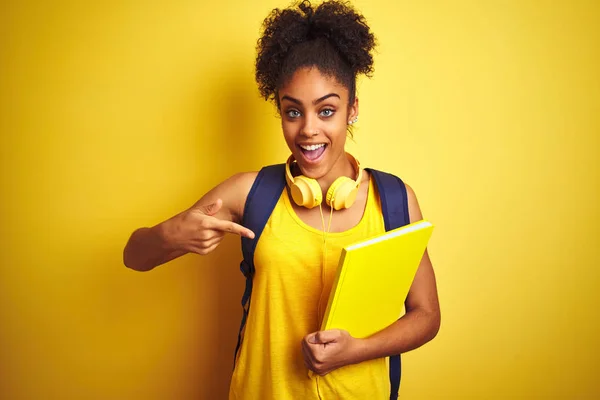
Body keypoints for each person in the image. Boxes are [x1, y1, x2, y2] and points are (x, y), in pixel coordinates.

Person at [123, 0, 440, 398]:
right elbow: (134, 256)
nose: (308, 130)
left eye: (326, 111)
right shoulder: (250, 192)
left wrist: (357, 351)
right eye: (293, 113)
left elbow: (427, 316)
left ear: (352, 109)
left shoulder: (395, 199)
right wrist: (172, 235)